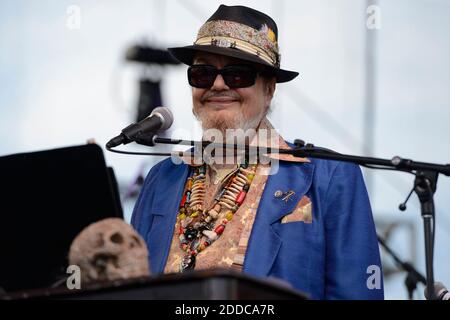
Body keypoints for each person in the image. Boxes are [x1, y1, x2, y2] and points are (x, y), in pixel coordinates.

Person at [131, 4, 384, 300]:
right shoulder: (162, 177)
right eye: (202, 73)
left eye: (238, 74)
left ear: (269, 89)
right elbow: (130, 285)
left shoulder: (329, 175)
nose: (218, 84)